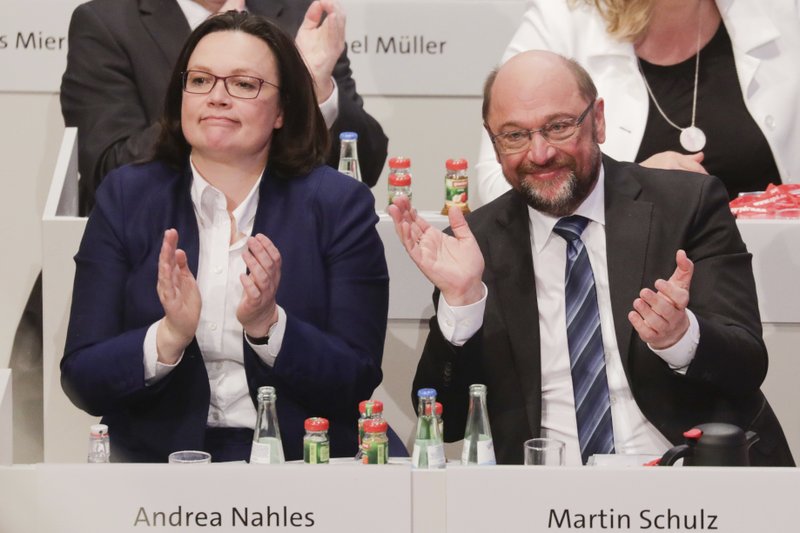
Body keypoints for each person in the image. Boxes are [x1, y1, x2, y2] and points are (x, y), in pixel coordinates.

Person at [389, 50, 794, 466]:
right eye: (514, 135)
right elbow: (446, 422)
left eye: (559, 127)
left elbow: (747, 366)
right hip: (545, 497)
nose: (540, 153)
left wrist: (680, 337)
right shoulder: (476, 244)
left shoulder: (688, 205)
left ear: (597, 120)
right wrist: (462, 303)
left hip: (686, 481)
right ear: (493, 143)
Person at [61, 11, 404, 462]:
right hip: (161, 463)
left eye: (244, 84)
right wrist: (168, 336)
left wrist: (268, 326)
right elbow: (82, 376)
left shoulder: (339, 205)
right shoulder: (126, 197)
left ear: (282, 111)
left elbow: (356, 377)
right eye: (200, 80)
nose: (217, 97)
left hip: (303, 461)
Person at [61, 0, 388, 214]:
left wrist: (313, 88)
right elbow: (108, 168)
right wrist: (205, 95)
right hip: (154, 247)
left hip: (285, 250)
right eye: (200, 79)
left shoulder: (298, 17)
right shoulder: (106, 22)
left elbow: (365, 167)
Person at [474, 0, 800, 206]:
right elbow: (496, 186)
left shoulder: (783, 12)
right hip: (623, 298)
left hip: (775, 298)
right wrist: (626, 185)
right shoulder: (563, 19)